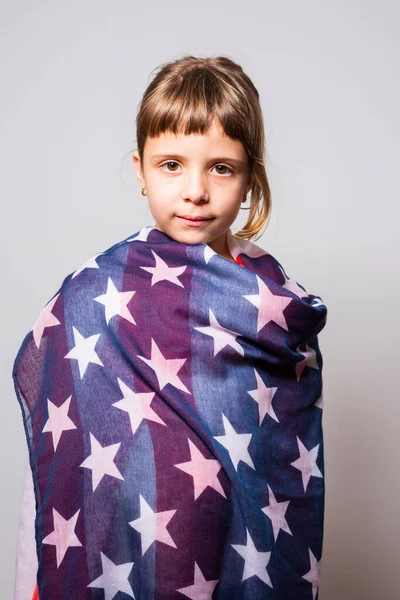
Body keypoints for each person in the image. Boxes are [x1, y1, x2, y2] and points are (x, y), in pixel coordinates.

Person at [13, 55, 328, 600]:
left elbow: (277, 459)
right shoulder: (94, 295)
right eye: (172, 164)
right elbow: (62, 460)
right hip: (130, 549)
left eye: (221, 167)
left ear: (251, 175)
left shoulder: (272, 305)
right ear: (140, 169)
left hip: (234, 547)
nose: (196, 191)